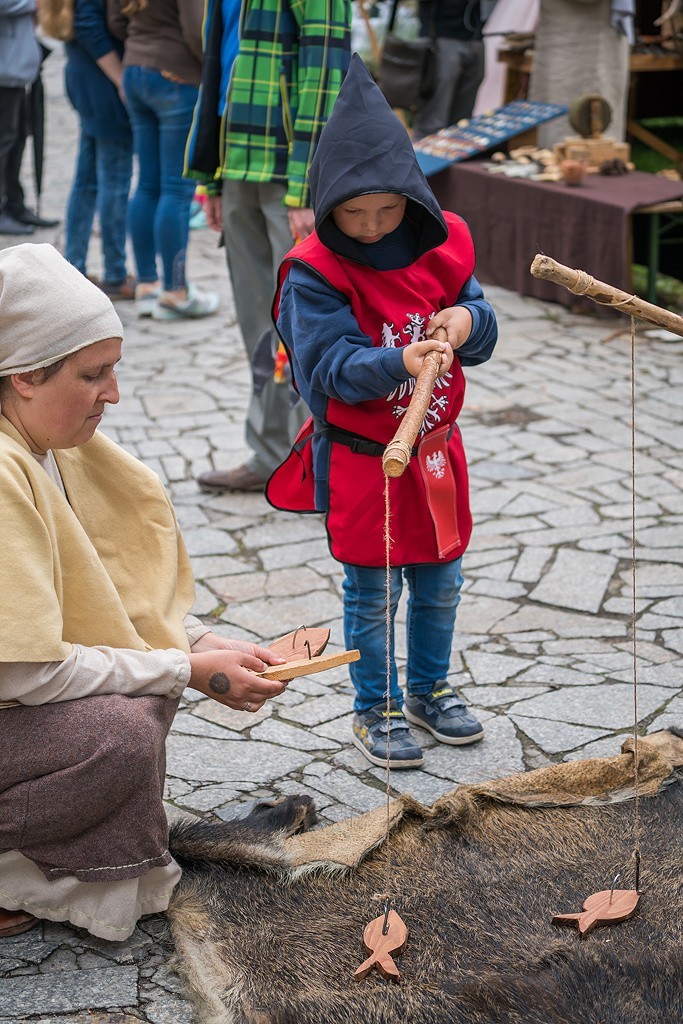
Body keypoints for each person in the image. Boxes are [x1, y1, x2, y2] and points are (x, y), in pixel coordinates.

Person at [0, 242, 286, 941]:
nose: (114, 395)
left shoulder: (45, 448)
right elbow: (25, 666)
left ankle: (34, 864)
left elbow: (88, 599)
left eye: (114, 370)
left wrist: (188, 644)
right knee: (118, 733)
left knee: (140, 693)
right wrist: (185, 667)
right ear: (26, 377)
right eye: (93, 374)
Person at [267, 54, 498, 769]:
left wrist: (461, 323)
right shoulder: (314, 273)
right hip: (367, 457)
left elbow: (482, 323)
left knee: (441, 581)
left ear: (410, 199)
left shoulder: (441, 241)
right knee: (372, 592)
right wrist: (399, 362)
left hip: (435, 451)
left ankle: (429, 689)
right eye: (352, 213)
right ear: (328, 204)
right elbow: (327, 370)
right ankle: (377, 708)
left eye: (386, 210)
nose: (369, 227)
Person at [186, 0, 351, 493]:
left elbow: (325, 75)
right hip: (237, 163)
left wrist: (307, 185)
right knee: (259, 321)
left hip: (288, 177)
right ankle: (271, 453)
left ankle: (321, 461)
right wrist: (211, 177)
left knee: (306, 322)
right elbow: (219, 66)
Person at [107, 0, 219, 319]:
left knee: (147, 185)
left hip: (135, 69)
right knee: (176, 189)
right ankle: (175, 291)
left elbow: (115, 21)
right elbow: (197, 29)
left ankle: (147, 285)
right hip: (175, 74)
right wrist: (209, 70)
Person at [52, 0, 135, 299]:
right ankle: (114, 273)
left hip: (88, 74)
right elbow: (86, 21)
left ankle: (72, 267)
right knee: (115, 178)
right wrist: (120, 77)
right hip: (102, 81)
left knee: (87, 180)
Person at [0, 1, 59, 234]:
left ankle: (14, 203)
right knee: (3, 142)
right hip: (5, 70)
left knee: (17, 137)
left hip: (16, 67)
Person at [412, 0, 487, 140]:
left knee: (462, 122)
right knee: (433, 119)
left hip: (474, 36)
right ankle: (422, 159)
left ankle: (452, 157)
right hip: (440, 37)